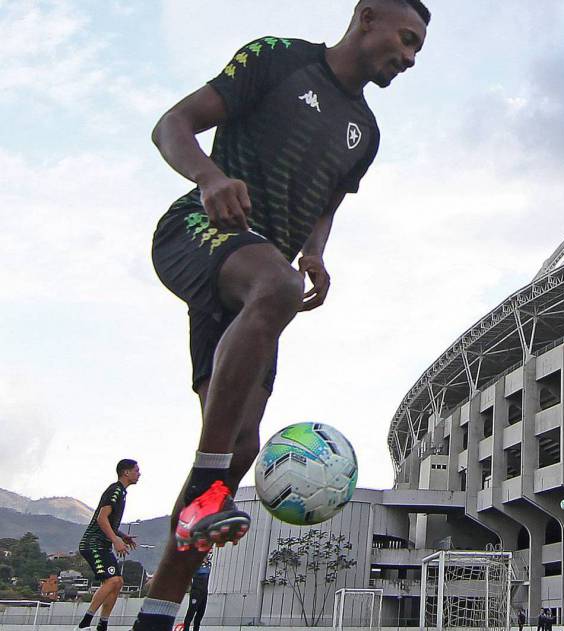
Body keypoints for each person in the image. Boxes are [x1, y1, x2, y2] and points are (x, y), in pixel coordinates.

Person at [132, 3, 429, 631]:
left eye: (417, 52)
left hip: (259, 293)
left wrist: (318, 251)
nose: (408, 58)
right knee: (277, 284)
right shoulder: (278, 59)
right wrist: (210, 176)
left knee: (242, 443)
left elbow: (327, 201)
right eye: (405, 40)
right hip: (201, 232)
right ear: (366, 17)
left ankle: (157, 612)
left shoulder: (364, 133)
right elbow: (173, 124)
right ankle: (209, 490)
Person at [77, 460, 140, 631]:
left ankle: (103, 623)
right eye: (136, 470)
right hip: (93, 544)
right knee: (112, 580)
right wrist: (115, 540)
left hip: (102, 545)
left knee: (118, 582)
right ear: (126, 472)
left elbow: (109, 523)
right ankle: (84, 623)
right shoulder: (115, 490)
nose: (139, 474)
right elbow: (101, 518)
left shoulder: (122, 492)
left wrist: (123, 536)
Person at [182, 554, 211, 631]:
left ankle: (196, 629)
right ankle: (186, 629)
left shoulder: (208, 563)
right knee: (191, 611)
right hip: (196, 590)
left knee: (201, 613)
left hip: (204, 591)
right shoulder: (196, 563)